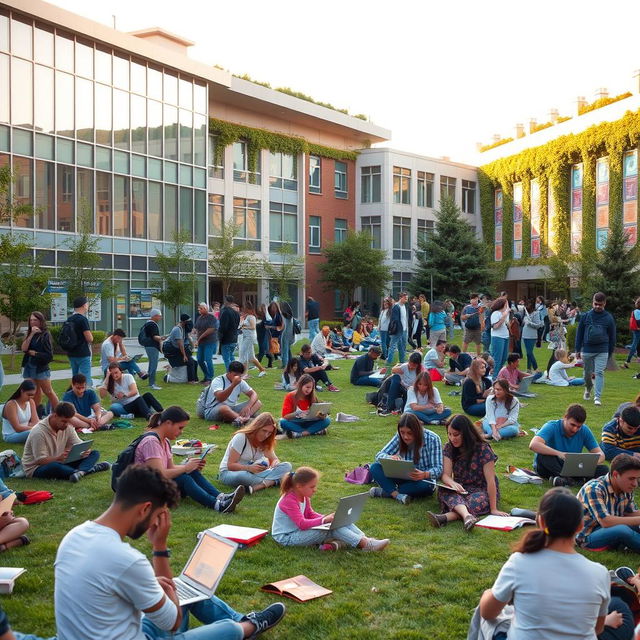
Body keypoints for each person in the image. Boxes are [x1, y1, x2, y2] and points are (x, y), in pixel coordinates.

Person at [54, 464, 285, 640]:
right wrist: (160, 549)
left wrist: (162, 570)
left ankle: (240, 618)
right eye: (157, 516)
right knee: (223, 628)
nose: (156, 524)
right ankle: (248, 627)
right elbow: (172, 622)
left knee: (184, 590)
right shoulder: (127, 560)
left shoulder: (74, 536)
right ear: (145, 508)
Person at [477, 487, 615, 640]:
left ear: (540, 521)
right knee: (620, 607)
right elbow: (597, 628)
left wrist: (488, 594)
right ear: (580, 526)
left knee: (487, 607)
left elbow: (487, 613)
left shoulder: (520, 562)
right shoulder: (601, 573)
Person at [134, 406, 244, 513]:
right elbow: (159, 474)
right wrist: (185, 468)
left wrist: (190, 466)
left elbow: (170, 468)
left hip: (157, 485)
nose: (181, 432)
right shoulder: (151, 442)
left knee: (191, 471)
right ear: (168, 423)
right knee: (184, 478)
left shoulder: (165, 441)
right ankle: (218, 505)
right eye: (180, 427)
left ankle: (221, 497)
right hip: (146, 491)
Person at [271, 466, 389, 552]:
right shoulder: (289, 500)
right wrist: (324, 521)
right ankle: (365, 545)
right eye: (312, 487)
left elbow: (310, 514)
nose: (315, 489)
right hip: (287, 537)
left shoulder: (303, 496)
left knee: (340, 521)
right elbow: (301, 523)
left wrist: (329, 518)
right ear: (299, 486)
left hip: (298, 532)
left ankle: (365, 540)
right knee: (331, 529)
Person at [427, 414, 504, 530]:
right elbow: (446, 476)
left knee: (475, 500)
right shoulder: (449, 448)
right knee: (444, 489)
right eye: (449, 434)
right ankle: (467, 516)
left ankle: (444, 517)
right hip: (460, 488)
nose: (452, 438)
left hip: (481, 489)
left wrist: (493, 509)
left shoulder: (483, 449)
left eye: (456, 435)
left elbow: (490, 481)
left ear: (466, 433)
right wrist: (453, 484)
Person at [21, 402, 110, 482]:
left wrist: (85, 451)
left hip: (61, 461)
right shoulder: (39, 432)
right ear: (55, 416)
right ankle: (87, 470)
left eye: (69, 421)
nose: (66, 424)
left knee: (94, 453)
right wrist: (57, 458)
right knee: (54, 467)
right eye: (64, 421)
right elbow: (40, 460)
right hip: (37, 467)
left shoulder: (67, 427)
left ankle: (79, 472)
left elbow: (78, 443)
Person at [369, 413, 443, 504]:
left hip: (421, 480)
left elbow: (438, 469)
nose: (405, 437)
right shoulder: (400, 436)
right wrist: (389, 457)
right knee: (375, 467)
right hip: (402, 476)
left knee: (427, 486)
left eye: (409, 433)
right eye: (402, 432)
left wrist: (424, 474)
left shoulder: (433, 439)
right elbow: (379, 455)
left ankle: (387, 491)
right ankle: (396, 494)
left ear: (417, 431)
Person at [529, 403, 608, 485]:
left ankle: (567, 480)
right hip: (552, 464)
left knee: (603, 469)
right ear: (565, 417)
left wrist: (587, 462)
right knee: (542, 457)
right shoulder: (552, 426)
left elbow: (601, 455)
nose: (575, 429)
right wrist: (560, 454)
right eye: (572, 425)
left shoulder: (584, 430)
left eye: (578, 426)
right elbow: (533, 445)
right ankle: (576, 480)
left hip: (573, 467)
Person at [577, 453, 640, 553]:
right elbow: (605, 521)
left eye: (637, 479)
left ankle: (624, 545)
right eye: (631, 478)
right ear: (615, 475)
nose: (635, 484)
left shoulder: (625, 487)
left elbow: (630, 513)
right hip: (587, 536)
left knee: (629, 527)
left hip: (609, 529)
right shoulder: (594, 488)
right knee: (622, 530)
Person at [219, 413, 292, 493]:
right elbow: (230, 465)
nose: (266, 435)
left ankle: (261, 485)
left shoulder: (265, 441)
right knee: (242, 477)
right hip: (231, 473)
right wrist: (249, 468)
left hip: (254, 473)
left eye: (269, 433)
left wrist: (274, 463)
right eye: (264, 431)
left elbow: (274, 459)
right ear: (257, 427)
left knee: (287, 466)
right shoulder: (241, 437)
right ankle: (278, 480)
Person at [576, 292, 616, 406]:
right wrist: (577, 349)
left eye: (600, 304)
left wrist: (610, 352)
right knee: (587, 374)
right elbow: (579, 334)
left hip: (602, 349)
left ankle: (597, 397)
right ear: (592, 302)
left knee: (599, 372)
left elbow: (612, 336)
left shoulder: (608, 318)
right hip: (587, 350)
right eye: (596, 304)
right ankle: (588, 389)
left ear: (605, 304)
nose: (598, 306)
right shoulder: (586, 316)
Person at [201, 361, 262, 426]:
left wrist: (248, 407)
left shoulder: (240, 381)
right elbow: (220, 398)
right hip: (213, 410)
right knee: (224, 408)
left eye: (239, 375)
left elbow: (253, 394)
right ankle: (242, 420)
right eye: (235, 375)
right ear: (229, 372)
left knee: (258, 403)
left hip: (231, 408)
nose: (237, 377)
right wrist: (233, 385)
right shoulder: (218, 380)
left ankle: (241, 419)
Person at [99, 363, 163, 419]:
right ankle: (149, 416)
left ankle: (162, 412)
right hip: (126, 406)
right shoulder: (110, 383)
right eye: (112, 374)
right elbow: (102, 395)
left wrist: (124, 395)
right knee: (114, 407)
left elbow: (134, 391)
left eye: (116, 372)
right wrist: (107, 377)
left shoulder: (128, 377)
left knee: (147, 395)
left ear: (121, 371)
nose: (114, 375)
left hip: (138, 401)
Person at [20, 311, 57, 410]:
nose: (33, 322)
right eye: (31, 320)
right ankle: (35, 413)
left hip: (41, 368)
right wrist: (31, 334)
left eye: (35, 320)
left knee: (48, 391)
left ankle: (60, 412)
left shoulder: (45, 334)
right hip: (29, 366)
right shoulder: (29, 333)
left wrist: (36, 354)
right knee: (32, 391)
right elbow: (24, 349)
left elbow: (49, 355)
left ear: (41, 321)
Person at [379, 352, 424, 416]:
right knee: (395, 377)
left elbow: (416, 386)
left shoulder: (420, 372)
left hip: (410, 390)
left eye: (414, 366)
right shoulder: (404, 367)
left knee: (408, 393)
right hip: (401, 387)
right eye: (410, 364)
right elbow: (393, 370)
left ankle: (403, 409)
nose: (411, 367)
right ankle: (389, 407)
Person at [64, 296, 94, 386]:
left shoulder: (69, 319)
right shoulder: (82, 319)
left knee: (76, 378)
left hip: (72, 352)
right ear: (84, 305)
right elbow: (90, 338)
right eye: (87, 304)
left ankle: (76, 396)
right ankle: (86, 397)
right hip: (83, 353)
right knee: (85, 379)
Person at [164, 314, 198, 384]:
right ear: (184, 322)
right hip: (173, 352)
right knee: (190, 362)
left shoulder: (183, 329)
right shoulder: (177, 329)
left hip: (177, 350)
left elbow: (188, 342)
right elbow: (180, 344)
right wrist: (184, 355)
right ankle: (191, 381)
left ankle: (195, 379)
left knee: (194, 362)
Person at [238, 303, 266, 377]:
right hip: (246, 337)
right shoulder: (246, 317)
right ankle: (262, 369)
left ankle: (245, 373)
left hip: (249, 337)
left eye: (245, 308)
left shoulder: (251, 317)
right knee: (250, 356)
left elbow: (253, 327)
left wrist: (244, 327)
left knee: (243, 354)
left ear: (248, 309)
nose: (244, 310)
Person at [194, 302, 218, 384]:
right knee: (199, 359)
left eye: (200, 308)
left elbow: (211, 329)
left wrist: (200, 337)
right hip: (201, 342)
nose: (199, 310)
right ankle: (206, 376)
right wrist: (196, 339)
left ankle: (210, 377)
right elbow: (196, 329)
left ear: (205, 309)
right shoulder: (199, 318)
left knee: (208, 359)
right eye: (199, 308)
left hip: (210, 341)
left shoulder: (211, 317)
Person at [141, 309, 164, 390]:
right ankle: (152, 384)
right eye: (159, 316)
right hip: (152, 346)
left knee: (152, 364)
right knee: (153, 365)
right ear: (154, 316)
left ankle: (151, 383)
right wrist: (162, 338)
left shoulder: (147, 323)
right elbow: (155, 337)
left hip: (149, 346)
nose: (160, 318)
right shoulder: (152, 325)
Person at [385, 292, 409, 367]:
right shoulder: (396, 306)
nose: (406, 300)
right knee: (393, 346)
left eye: (407, 298)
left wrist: (406, 328)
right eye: (405, 298)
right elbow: (395, 320)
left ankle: (402, 361)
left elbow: (405, 319)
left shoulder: (404, 306)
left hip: (404, 329)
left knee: (402, 346)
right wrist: (399, 329)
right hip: (398, 330)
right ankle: (388, 362)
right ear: (401, 297)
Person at [489, 296, 510, 379]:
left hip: (505, 337)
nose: (507, 306)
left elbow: (507, 324)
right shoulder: (495, 314)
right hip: (497, 337)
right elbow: (495, 327)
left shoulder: (505, 314)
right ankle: (495, 378)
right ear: (502, 305)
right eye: (506, 304)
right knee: (497, 358)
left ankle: (498, 374)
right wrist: (503, 317)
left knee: (504, 357)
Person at [218, 295, 240, 371]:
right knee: (231, 356)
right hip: (234, 337)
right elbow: (237, 325)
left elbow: (223, 327)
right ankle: (236, 372)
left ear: (226, 301)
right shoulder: (236, 313)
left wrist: (219, 336)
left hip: (227, 338)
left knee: (226, 358)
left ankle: (230, 373)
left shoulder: (225, 312)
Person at [521, 299, 543, 372]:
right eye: (526, 304)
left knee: (529, 352)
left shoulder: (536, 313)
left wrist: (529, 323)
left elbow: (538, 325)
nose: (527, 306)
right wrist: (524, 320)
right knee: (527, 354)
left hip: (531, 336)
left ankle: (536, 368)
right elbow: (523, 323)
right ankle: (528, 369)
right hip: (525, 335)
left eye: (529, 304)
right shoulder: (526, 312)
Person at [256, 304, 274, 369]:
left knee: (262, 351)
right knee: (265, 351)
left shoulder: (265, 318)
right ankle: (270, 364)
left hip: (263, 336)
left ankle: (258, 364)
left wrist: (265, 310)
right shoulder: (260, 317)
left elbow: (267, 322)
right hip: (261, 336)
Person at [624, 297, 640, 369]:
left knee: (636, 344)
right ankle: (627, 361)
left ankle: (637, 357)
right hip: (637, 330)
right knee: (635, 344)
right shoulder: (637, 311)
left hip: (636, 329)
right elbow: (638, 321)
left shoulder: (637, 311)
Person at [279, 301, 295, 369]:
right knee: (288, 350)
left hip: (285, 334)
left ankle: (285, 364)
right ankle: (291, 363)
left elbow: (282, 326)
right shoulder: (291, 316)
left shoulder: (284, 315)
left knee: (284, 350)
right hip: (291, 334)